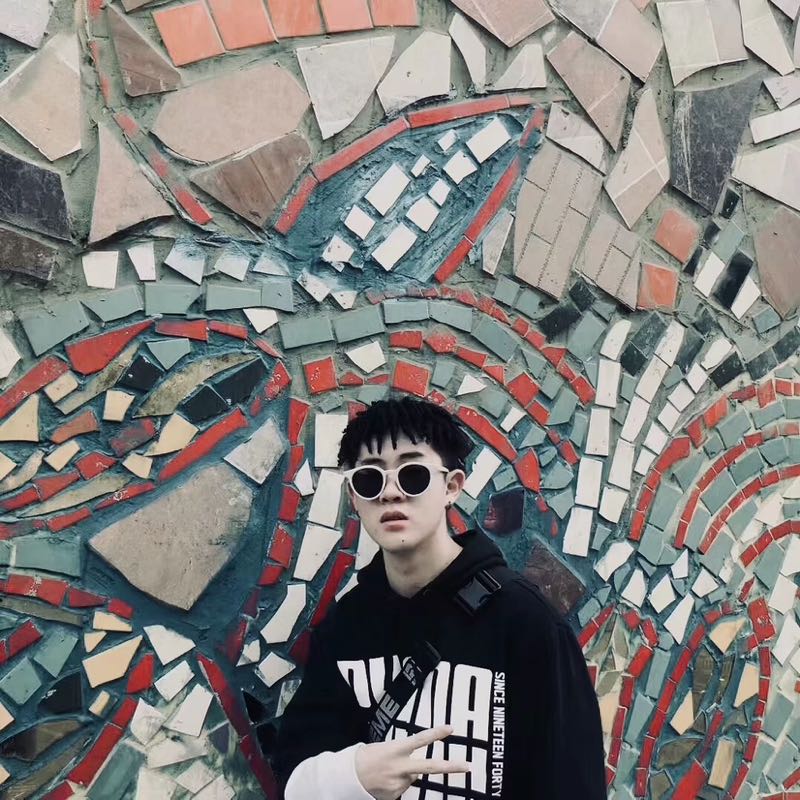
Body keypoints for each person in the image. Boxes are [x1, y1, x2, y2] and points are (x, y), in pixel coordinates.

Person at [272, 396, 607, 799]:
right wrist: (353, 775)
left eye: (412, 475)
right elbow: (293, 770)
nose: (390, 493)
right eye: (369, 480)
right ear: (355, 498)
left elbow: (573, 783)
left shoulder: (527, 623)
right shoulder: (346, 627)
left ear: (451, 487)